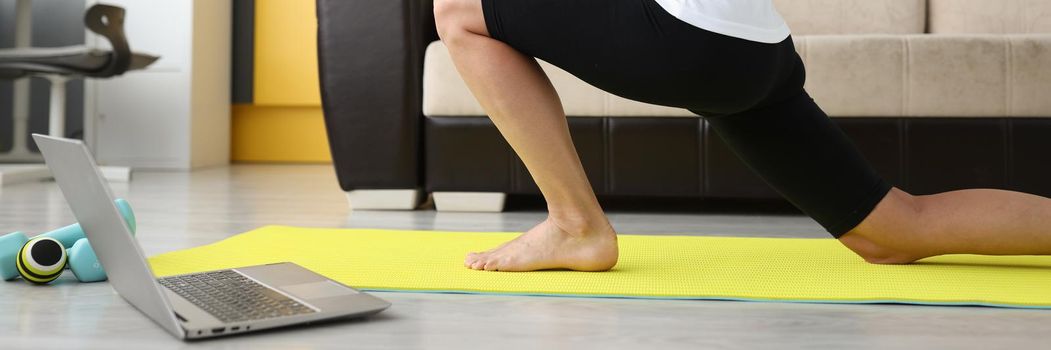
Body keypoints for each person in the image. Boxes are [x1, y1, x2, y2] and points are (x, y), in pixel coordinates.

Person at [432, 0, 1051, 272]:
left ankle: (575, 224)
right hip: (757, 50)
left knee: (459, 10)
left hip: (687, 37)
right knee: (892, 232)